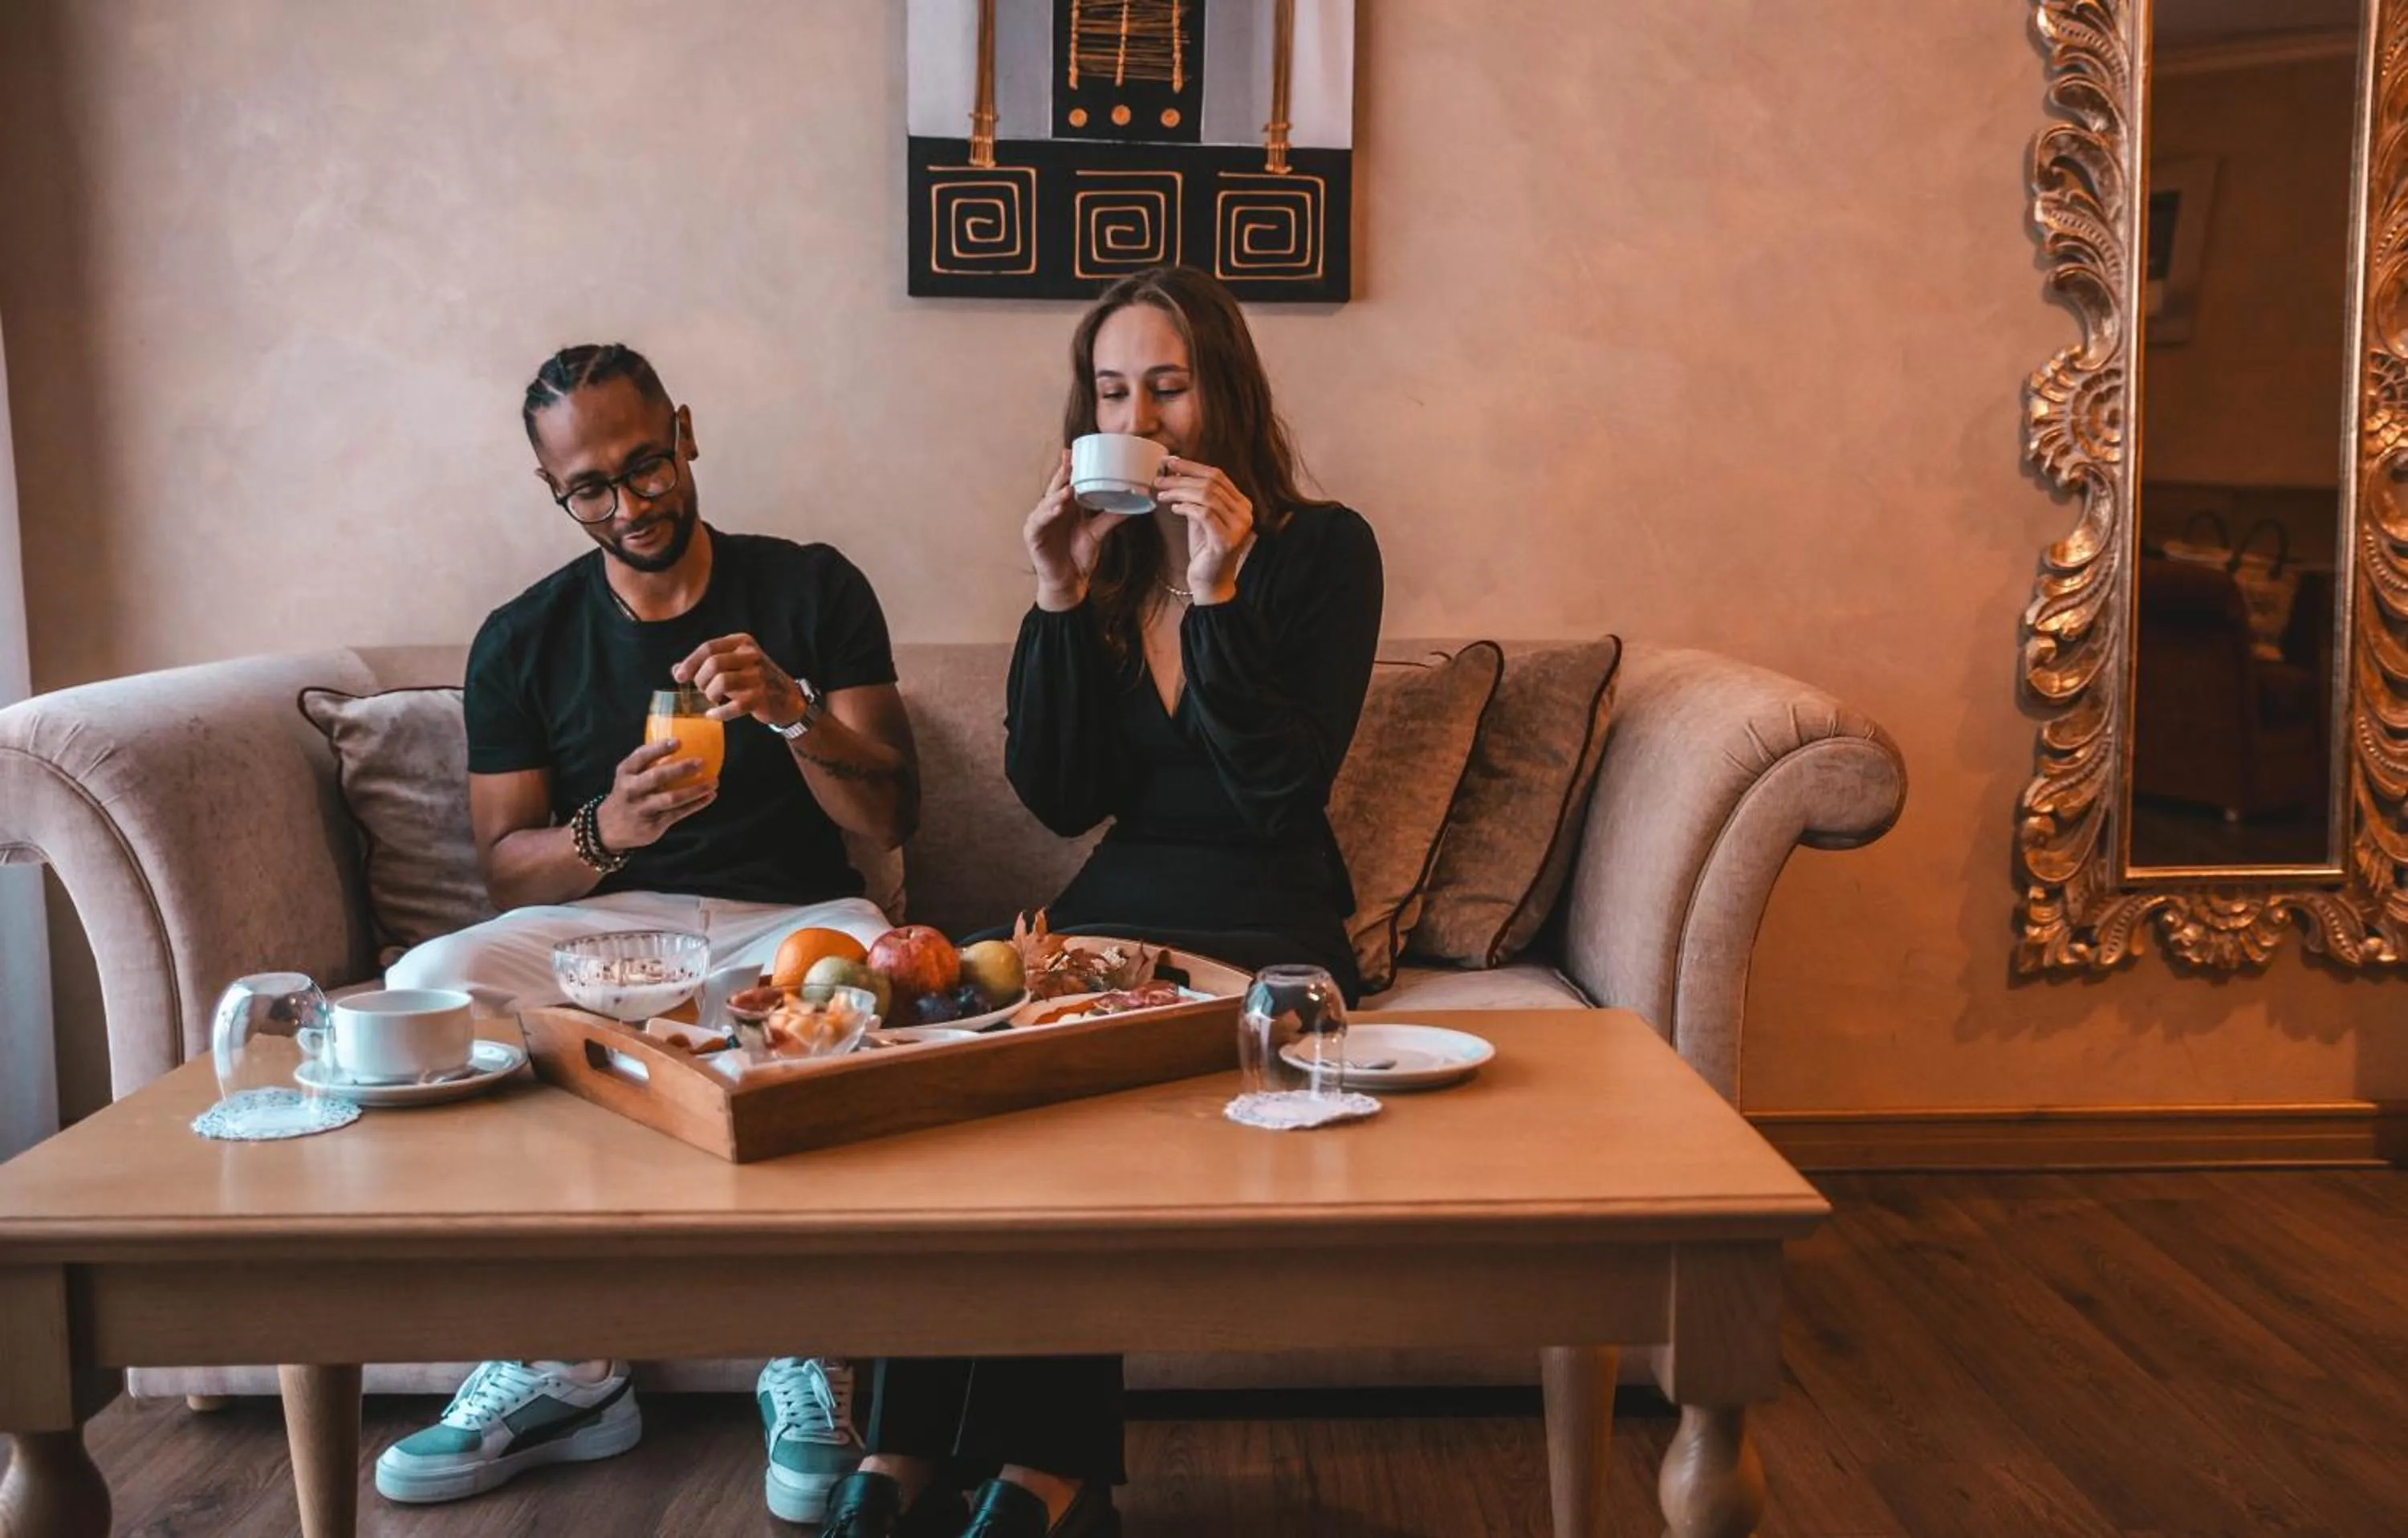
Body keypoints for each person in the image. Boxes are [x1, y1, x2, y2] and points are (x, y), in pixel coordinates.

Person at [825, 268, 1381, 1538]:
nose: (1145, 415)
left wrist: (1220, 587)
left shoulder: (1324, 551)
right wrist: (1058, 595)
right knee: (965, 1089)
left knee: (1075, 1091)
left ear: (1223, 392)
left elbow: (1280, 792)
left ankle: (1049, 1473)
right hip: (1111, 909)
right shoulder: (1106, 564)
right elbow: (1059, 795)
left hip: (1266, 915)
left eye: (1170, 387)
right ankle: (912, 1442)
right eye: (1114, 390)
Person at [372, 343, 919, 1526]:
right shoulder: (521, 639)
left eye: (647, 465)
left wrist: (792, 713)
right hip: (603, 922)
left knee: (870, 996)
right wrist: (610, 829)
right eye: (592, 489)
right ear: (552, 492)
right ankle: (568, 1366)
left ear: (684, 431)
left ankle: (808, 1349)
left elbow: (887, 812)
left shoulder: (812, 588)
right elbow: (505, 864)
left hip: (795, 916)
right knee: (429, 985)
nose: (631, 505)